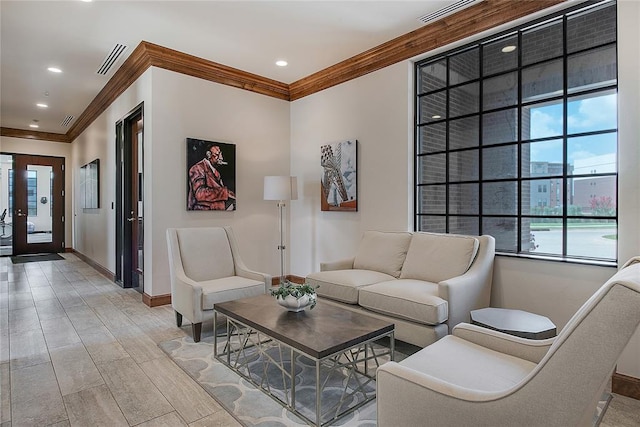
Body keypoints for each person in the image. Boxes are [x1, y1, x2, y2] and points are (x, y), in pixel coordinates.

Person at [188, 145, 236, 210]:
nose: (221, 158)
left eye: (221, 154)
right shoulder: (197, 168)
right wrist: (225, 193)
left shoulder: (216, 172)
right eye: (217, 154)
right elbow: (200, 194)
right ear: (208, 154)